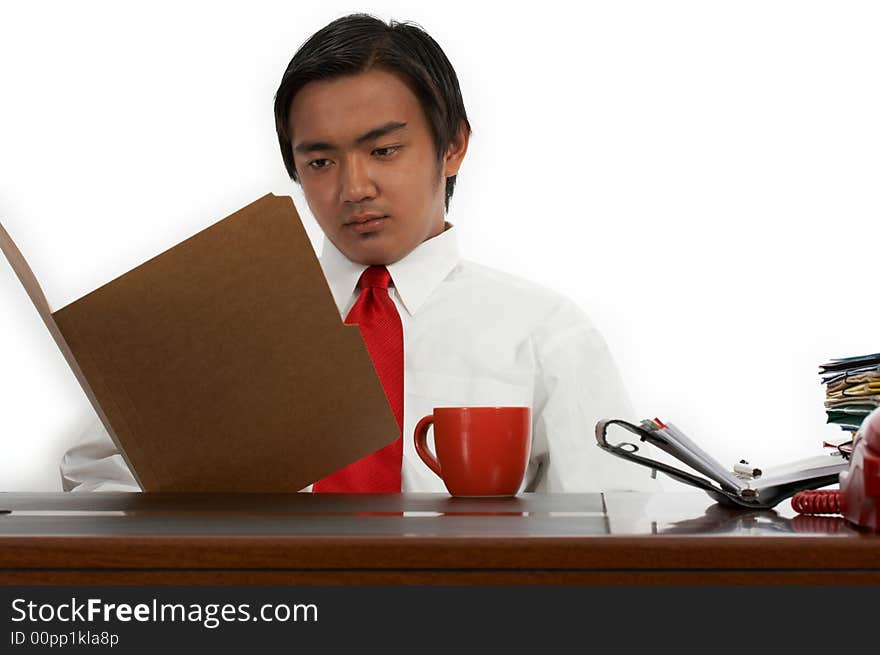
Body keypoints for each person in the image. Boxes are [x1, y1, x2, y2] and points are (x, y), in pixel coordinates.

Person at [61, 13, 658, 493]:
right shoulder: (221, 322)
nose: (353, 188)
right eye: (320, 162)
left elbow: (611, 528)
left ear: (452, 147)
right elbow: (90, 481)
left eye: (384, 151)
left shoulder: (545, 332)